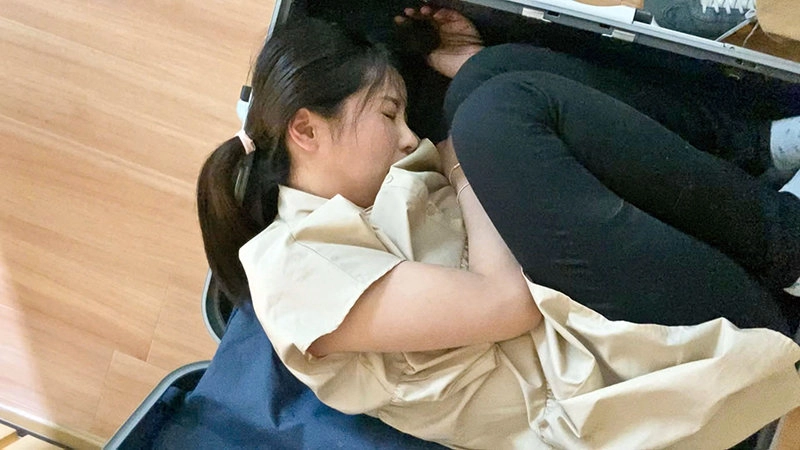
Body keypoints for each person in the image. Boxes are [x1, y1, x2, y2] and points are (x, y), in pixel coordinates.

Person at [196, 8, 800, 449]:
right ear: (306, 130)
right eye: (389, 114)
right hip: (619, 372)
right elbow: (506, 303)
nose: (408, 136)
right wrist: (466, 169)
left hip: (602, 307)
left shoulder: (373, 194)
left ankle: (759, 149)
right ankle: (789, 243)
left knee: (485, 82)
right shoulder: (292, 273)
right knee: (490, 118)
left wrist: (471, 69)